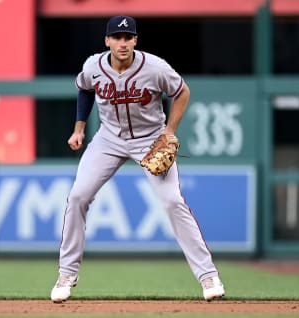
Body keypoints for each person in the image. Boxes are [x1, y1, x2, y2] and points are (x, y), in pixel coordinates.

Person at [50, 15, 225, 303]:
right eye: (117, 37)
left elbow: (182, 92)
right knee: (78, 196)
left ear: (135, 40)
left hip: (149, 139)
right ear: (107, 41)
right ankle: (66, 274)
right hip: (108, 139)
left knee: (173, 202)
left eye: (128, 37)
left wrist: (168, 133)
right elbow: (84, 88)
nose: (122, 42)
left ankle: (208, 277)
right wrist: (79, 128)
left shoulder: (155, 67)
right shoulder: (94, 66)